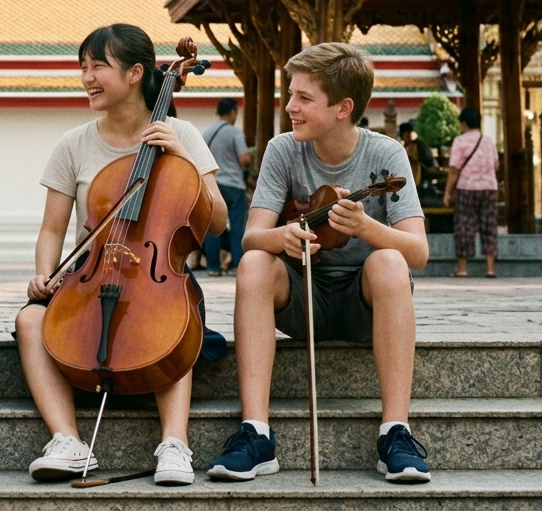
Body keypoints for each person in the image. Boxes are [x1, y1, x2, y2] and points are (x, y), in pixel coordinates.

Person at [206, 43, 432, 484]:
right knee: (254, 263)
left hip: (363, 304)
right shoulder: (282, 150)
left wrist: (366, 228)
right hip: (302, 298)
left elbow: (418, 253)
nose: (290, 107)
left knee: (389, 261)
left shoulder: (386, 154)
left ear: (343, 107)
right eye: (291, 95)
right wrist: (283, 237)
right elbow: (252, 236)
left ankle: (395, 432)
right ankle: (255, 433)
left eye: (304, 98)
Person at [16, 24, 228, 486]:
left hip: (157, 278)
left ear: (136, 73)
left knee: (171, 318)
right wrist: (43, 275)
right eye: (83, 67)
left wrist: (185, 160)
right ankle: (68, 441)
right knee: (30, 319)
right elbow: (53, 229)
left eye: (98, 67)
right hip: (90, 277)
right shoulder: (73, 144)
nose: (87, 77)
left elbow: (219, 224)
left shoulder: (182, 132)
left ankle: (175, 444)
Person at [443, 107, 497, 277]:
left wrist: (447, 192)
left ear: (464, 123)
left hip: (466, 188)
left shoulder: (460, 141)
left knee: (464, 226)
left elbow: (454, 169)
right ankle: (489, 268)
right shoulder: (488, 141)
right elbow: (496, 165)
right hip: (489, 188)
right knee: (489, 226)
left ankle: (462, 269)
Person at [203, 97, 251, 275]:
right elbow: (244, 158)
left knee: (212, 226)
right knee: (237, 225)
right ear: (232, 112)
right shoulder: (235, 133)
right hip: (233, 184)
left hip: (212, 184)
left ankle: (213, 267)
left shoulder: (207, 133)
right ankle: (236, 265)